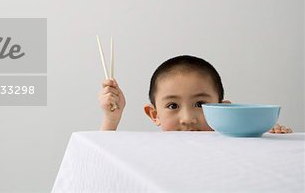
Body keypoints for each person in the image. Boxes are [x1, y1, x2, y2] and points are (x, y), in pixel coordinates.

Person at [99, 55, 292, 133]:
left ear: (223, 109)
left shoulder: (233, 144)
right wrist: (111, 119)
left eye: (200, 104)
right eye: (173, 106)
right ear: (154, 114)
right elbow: (104, 160)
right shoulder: (150, 148)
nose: (187, 119)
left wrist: (271, 140)